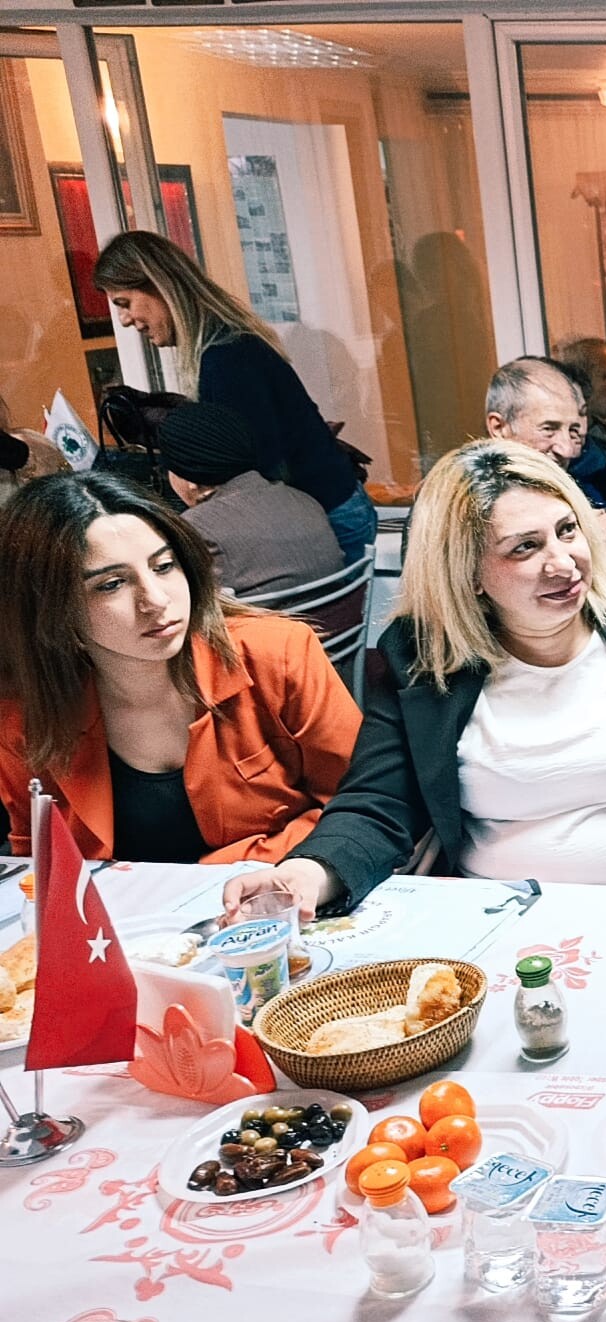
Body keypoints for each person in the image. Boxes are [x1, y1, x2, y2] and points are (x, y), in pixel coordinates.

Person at [221, 440, 606, 919]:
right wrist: (309, 872)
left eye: (567, 530)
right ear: (467, 573)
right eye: (525, 547)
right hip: (495, 919)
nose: (564, 564)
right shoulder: (422, 656)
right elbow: (377, 802)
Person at [0, 472, 360, 863]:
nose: (155, 600)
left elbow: (362, 808)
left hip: (274, 891)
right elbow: (36, 853)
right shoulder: (24, 709)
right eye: (112, 584)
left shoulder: (276, 653)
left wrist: (209, 873)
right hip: (120, 903)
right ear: (49, 608)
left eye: (164, 566)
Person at [92, 231, 376, 557]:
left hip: (330, 516)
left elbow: (257, 465)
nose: (125, 321)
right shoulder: (225, 347)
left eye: (124, 304)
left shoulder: (226, 358)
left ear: (159, 285)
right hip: (327, 508)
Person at [483, 358, 606, 575]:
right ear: (499, 428)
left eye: (574, 428)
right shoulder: (480, 505)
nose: (568, 450)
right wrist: (592, 546)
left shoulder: (553, 483)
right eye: (549, 429)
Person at [156, 403, 347, 600]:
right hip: (341, 618)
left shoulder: (195, 526)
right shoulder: (306, 501)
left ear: (188, 479)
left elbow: (184, 603)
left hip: (269, 620)